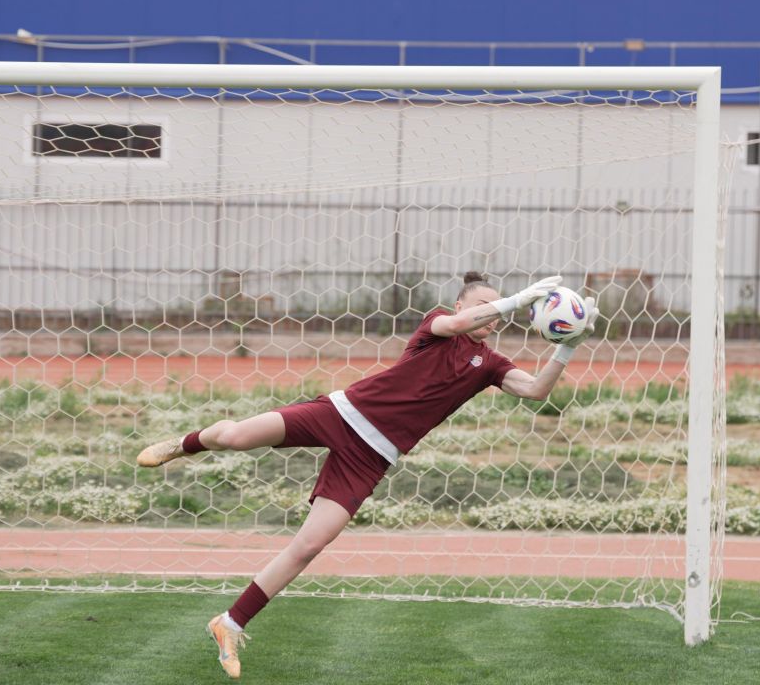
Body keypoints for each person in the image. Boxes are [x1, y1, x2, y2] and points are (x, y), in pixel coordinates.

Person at [136, 272, 598, 679]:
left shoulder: (489, 364)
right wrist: (517, 300)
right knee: (236, 436)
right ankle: (183, 444)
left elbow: (536, 390)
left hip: (372, 456)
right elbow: (456, 326)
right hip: (341, 414)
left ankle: (230, 624)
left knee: (310, 545)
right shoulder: (438, 324)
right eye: (483, 306)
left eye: (497, 311)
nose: (492, 317)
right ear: (460, 305)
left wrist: (569, 344)